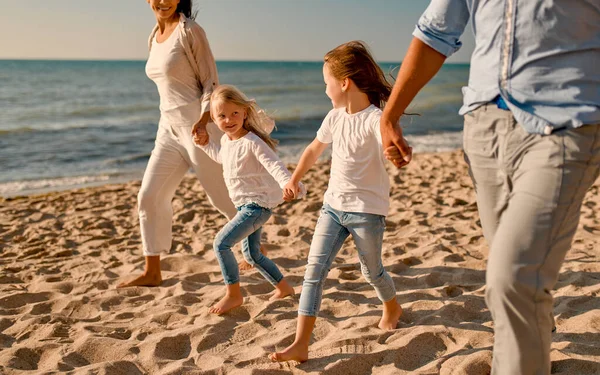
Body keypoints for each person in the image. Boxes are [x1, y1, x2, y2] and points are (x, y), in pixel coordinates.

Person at [380, 1, 600, 374]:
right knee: (514, 281)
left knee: (511, 278)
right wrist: (391, 114)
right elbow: (435, 33)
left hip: (567, 121)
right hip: (483, 129)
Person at [270, 41, 405, 363]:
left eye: (326, 83)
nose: (325, 90)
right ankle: (301, 343)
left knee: (371, 271)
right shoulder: (334, 117)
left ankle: (392, 305)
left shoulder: (375, 119)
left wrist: (395, 151)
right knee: (313, 272)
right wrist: (294, 178)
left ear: (344, 82)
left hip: (367, 212)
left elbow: (392, 140)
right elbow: (314, 150)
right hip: (332, 207)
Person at [118, 0, 252, 288]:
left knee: (222, 198)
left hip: (198, 127)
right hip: (167, 129)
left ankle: (254, 250)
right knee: (149, 196)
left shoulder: (190, 31)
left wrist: (204, 121)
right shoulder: (154, 35)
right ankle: (152, 270)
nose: (163, 1)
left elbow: (211, 82)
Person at [194, 85, 305, 314]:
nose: (229, 119)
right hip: (244, 206)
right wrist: (205, 144)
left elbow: (274, 164)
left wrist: (288, 183)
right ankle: (284, 288)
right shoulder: (226, 142)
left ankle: (233, 295)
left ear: (245, 112)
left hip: (257, 206)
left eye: (235, 113)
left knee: (221, 244)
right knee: (252, 255)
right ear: (214, 119)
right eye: (222, 116)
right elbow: (222, 158)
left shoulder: (253, 142)